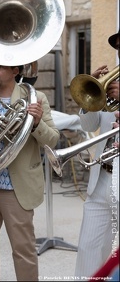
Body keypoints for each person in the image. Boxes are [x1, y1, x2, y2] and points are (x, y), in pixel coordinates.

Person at [0, 61, 60, 280]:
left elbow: (53, 139)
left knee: (24, 250)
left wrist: (37, 123)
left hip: (17, 188)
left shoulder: (36, 98)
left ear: (15, 71)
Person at [74, 29, 119, 279]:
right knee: (89, 250)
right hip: (101, 177)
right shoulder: (112, 83)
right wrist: (90, 97)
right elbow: (90, 126)